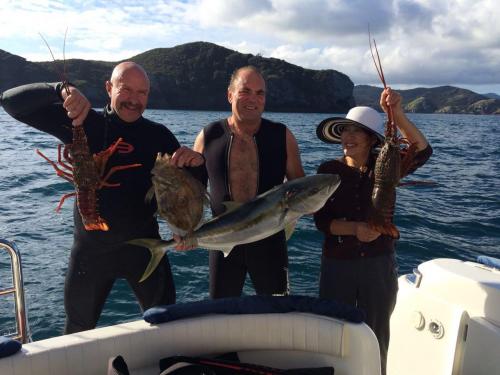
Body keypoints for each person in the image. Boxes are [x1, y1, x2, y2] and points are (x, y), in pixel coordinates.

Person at [0, 62, 204, 334]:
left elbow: (189, 188)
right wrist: (60, 89)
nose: (134, 99)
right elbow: (10, 102)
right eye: (126, 89)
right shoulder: (81, 121)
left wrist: (198, 163)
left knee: (166, 324)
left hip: (144, 248)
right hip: (91, 253)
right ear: (109, 88)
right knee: (77, 331)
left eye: (142, 93)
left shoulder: (159, 135)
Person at [313, 88, 432, 375]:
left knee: (376, 333)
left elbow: (423, 150)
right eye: (345, 131)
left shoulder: (388, 165)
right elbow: (321, 221)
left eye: (357, 132)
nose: (348, 137)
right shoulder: (328, 169)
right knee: (332, 332)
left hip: (378, 264)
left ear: (371, 140)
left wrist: (398, 113)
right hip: (337, 264)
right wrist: (355, 228)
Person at [193, 65, 305, 298]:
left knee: (277, 313)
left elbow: (301, 188)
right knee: (220, 313)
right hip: (223, 242)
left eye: (260, 93)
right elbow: (194, 194)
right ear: (230, 94)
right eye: (245, 91)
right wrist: (184, 230)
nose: (253, 99)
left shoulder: (282, 136)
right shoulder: (209, 136)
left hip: (269, 240)